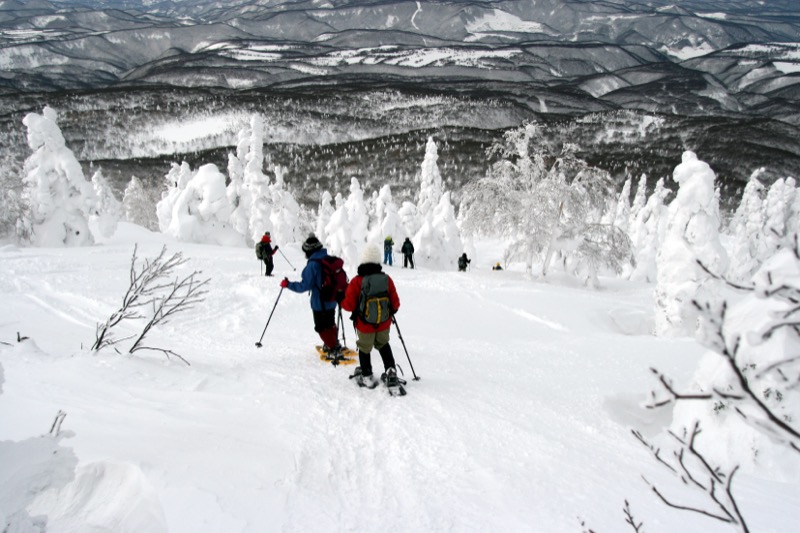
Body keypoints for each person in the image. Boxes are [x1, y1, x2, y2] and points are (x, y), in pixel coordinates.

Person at [341, 244, 401, 388]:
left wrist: (341, 299)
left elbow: (348, 305)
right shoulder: (387, 279)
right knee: (383, 345)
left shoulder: (357, 281)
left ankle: (367, 375)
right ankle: (391, 371)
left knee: (364, 348)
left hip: (364, 324)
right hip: (384, 323)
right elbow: (396, 304)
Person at [280, 234, 342, 356]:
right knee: (329, 323)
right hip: (332, 299)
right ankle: (334, 343)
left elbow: (304, 286)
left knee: (321, 327)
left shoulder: (312, 265)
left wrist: (288, 285)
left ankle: (333, 348)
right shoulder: (329, 259)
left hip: (320, 302)